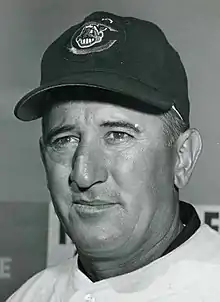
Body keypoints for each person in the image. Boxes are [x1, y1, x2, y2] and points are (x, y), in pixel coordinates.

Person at [7, 11, 220, 302]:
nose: (83, 174)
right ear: (44, 156)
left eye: (118, 135)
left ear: (182, 157)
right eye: (65, 139)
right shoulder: (29, 297)